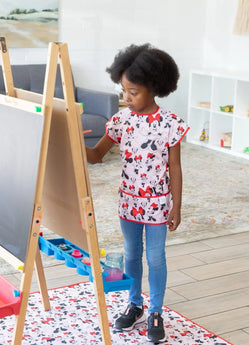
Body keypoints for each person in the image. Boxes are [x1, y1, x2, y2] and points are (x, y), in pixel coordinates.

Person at [86, 43, 189, 343]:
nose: (127, 98)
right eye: (124, 91)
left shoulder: (170, 124)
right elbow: (96, 155)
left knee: (155, 258)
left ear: (154, 87)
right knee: (132, 255)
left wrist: (177, 206)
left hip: (158, 205)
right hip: (128, 202)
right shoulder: (120, 121)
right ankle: (135, 305)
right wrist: (72, 143)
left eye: (133, 92)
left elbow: (176, 168)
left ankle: (156, 310)